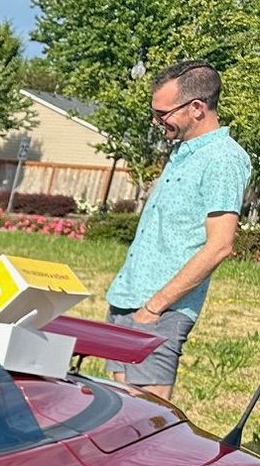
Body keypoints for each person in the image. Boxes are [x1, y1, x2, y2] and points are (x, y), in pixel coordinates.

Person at [103, 60, 253, 400]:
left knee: (145, 427)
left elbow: (219, 246)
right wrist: (127, 304)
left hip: (159, 312)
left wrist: (155, 307)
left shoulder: (223, 159)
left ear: (197, 108)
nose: (157, 122)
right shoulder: (184, 152)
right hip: (126, 300)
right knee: (113, 417)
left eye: (163, 114)